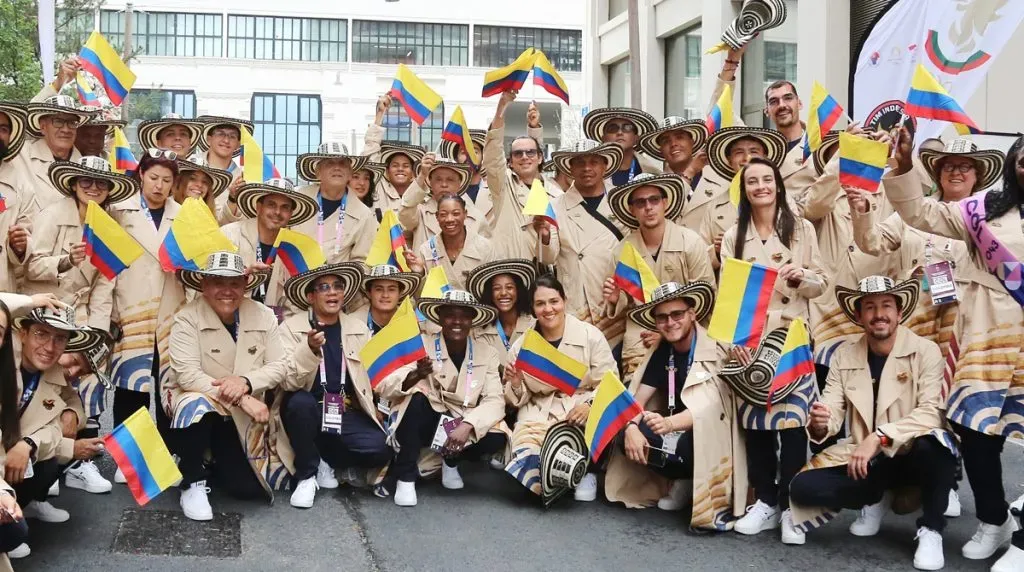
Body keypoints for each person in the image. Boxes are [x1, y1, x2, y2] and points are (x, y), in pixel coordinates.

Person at [881, 128, 1024, 565]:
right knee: (978, 438)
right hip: (986, 338)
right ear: (1012, 167)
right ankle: (994, 518)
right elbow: (921, 213)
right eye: (1022, 159)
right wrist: (904, 167)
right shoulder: (983, 211)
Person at [789, 277, 956, 571]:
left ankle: (931, 529)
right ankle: (877, 496)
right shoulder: (845, 354)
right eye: (870, 307)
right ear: (859, 316)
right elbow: (832, 407)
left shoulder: (926, 350)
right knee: (803, 488)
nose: (879, 314)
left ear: (899, 313)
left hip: (908, 452)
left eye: (886, 306)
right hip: (866, 461)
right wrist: (820, 423)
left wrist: (879, 437)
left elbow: (932, 412)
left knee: (936, 447)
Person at [720, 157, 827, 541]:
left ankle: (791, 508)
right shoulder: (733, 235)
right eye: (752, 181)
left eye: (768, 179)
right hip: (753, 341)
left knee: (794, 426)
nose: (761, 186)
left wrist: (802, 277)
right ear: (744, 190)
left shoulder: (800, 229)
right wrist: (733, 344)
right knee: (758, 427)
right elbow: (728, 295)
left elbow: (822, 283)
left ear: (778, 185)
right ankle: (765, 501)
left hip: (793, 338)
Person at [604, 281, 748, 528]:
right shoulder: (663, 351)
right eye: (662, 318)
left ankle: (696, 483)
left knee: (693, 437)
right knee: (623, 429)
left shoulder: (715, 346)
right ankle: (681, 479)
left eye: (677, 314)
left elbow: (711, 406)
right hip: (673, 426)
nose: (670, 323)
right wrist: (630, 429)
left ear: (692, 314)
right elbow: (638, 399)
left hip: (707, 431)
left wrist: (669, 423)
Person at [166, 252, 290, 521]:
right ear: (204, 285)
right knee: (193, 403)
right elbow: (188, 375)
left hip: (242, 418)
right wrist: (241, 398)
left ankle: (209, 458)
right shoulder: (185, 318)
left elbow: (281, 365)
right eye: (218, 282)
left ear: (245, 285)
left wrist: (246, 383)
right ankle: (192, 480)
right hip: (203, 407)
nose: (227, 291)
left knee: (245, 489)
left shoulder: (263, 314)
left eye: (234, 283)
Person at [378, 290, 507, 507]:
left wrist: (468, 425)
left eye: (464, 316)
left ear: (472, 319)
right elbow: (385, 386)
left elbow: (495, 400)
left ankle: (450, 460)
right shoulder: (421, 343)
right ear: (439, 318)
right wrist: (416, 374)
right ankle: (406, 477)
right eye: (450, 315)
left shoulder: (487, 352)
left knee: (498, 436)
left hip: (461, 420)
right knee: (416, 399)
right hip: (427, 418)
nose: (457, 322)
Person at [278, 262, 391, 508]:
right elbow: (288, 381)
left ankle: (325, 458)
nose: (332, 292)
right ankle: (307, 475)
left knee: (381, 448)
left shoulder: (358, 329)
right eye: (324, 287)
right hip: (306, 407)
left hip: (343, 409)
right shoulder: (290, 328)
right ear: (311, 296)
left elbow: (376, 375)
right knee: (299, 403)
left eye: (338, 286)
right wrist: (308, 350)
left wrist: (380, 404)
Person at [107, 149, 188, 485]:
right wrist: (110, 311)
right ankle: (130, 457)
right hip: (131, 306)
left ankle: (167, 452)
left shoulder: (183, 216)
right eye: (154, 177)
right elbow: (106, 265)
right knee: (130, 387)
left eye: (167, 180)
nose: (159, 186)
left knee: (167, 384)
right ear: (141, 175)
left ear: (174, 184)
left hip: (170, 311)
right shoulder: (119, 211)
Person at [504, 275, 617, 502]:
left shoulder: (590, 335)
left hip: (579, 404)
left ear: (564, 300)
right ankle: (554, 476)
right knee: (530, 467)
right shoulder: (523, 345)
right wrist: (516, 383)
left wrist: (589, 405)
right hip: (538, 409)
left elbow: (611, 382)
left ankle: (587, 471)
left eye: (554, 301)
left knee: (596, 422)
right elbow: (516, 399)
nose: (548, 309)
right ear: (533, 309)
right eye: (540, 304)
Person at [7, 306, 107, 551]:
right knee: (13, 535)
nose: (50, 347)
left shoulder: (50, 373)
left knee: (49, 459)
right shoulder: (6, 364)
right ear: (23, 334)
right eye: (41, 334)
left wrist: (70, 417)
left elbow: (69, 406)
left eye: (60, 339)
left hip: (11, 451)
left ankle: (20, 508)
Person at [602, 173, 716, 377]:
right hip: (641, 335)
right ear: (632, 209)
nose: (648, 207)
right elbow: (622, 306)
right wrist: (613, 299)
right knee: (636, 396)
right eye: (640, 202)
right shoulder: (622, 251)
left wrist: (666, 335)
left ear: (665, 202)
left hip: (686, 330)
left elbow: (706, 298)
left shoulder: (690, 242)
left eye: (654, 200)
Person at [537, 140, 625, 344]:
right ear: (570, 167)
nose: (587, 168)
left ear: (605, 166)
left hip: (614, 304)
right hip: (575, 305)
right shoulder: (555, 206)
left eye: (594, 161)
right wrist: (545, 236)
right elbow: (547, 257)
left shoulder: (622, 203)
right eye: (580, 162)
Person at [221, 177, 319, 314]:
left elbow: (299, 301)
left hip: (277, 325)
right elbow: (213, 284)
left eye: (285, 207)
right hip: (231, 317)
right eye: (271, 205)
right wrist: (245, 276)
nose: (277, 212)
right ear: (259, 208)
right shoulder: (229, 234)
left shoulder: (296, 248)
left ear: (291, 214)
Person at [482, 91, 559, 260]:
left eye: (530, 153)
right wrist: (501, 107)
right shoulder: (503, 185)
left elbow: (551, 257)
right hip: (506, 273)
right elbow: (493, 156)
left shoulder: (556, 195)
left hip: (537, 277)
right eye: (517, 154)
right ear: (510, 162)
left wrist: (545, 236)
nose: (524, 157)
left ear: (540, 158)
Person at [699, 127, 788, 270]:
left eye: (754, 151)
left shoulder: (784, 200)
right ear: (729, 160)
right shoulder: (714, 207)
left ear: (764, 157)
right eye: (739, 152)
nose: (747, 158)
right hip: (734, 286)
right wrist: (717, 250)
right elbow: (699, 261)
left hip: (776, 283)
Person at [291, 142, 378, 265]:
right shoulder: (298, 200)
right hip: (295, 278)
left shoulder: (364, 215)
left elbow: (362, 261)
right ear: (318, 172)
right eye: (330, 163)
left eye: (342, 163)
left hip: (336, 282)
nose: (337, 168)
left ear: (349, 174)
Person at [12, 95, 95, 206]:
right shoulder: (20, 153)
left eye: (72, 123)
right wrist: (56, 85)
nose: (66, 129)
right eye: (58, 121)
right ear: (43, 127)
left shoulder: (87, 165)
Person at [636, 117, 717, 231]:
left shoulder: (718, 179)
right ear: (660, 150)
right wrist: (691, 171)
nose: (673, 144)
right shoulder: (655, 187)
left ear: (692, 142)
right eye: (665, 141)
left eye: (680, 137)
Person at [406, 194, 491, 292]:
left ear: (465, 214)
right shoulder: (427, 249)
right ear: (437, 217)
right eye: (443, 214)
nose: (449, 219)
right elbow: (422, 296)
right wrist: (419, 273)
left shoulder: (484, 247)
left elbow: (490, 289)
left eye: (455, 214)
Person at [399, 153, 484, 249]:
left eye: (450, 180)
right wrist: (422, 175)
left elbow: (486, 255)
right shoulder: (419, 212)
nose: (444, 184)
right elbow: (405, 212)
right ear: (430, 182)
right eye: (438, 179)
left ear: (459, 183)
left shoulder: (476, 217)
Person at [465, 259, 536, 371]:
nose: (503, 293)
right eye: (496, 288)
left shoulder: (534, 326)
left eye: (509, 287)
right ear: (490, 294)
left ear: (518, 291)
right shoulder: (477, 331)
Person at [0, 102, 35, 293]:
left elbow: (26, 233)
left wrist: (19, 245)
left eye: (3, 129)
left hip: (3, 288)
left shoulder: (22, 184)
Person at [582, 106, 660, 185]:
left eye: (627, 128)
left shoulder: (653, 174)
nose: (620, 132)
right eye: (612, 128)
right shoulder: (587, 173)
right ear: (603, 139)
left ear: (636, 138)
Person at [195, 115, 251, 223]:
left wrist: (232, 198)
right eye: (220, 134)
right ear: (209, 139)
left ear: (238, 145)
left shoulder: (242, 179)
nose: (226, 140)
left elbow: (237, 222)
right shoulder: (190, 165)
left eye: (232, 136)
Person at [350, 264, 423, 334]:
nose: (385, 295)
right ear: (369, 293)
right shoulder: (351, 324)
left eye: (391, 289)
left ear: (400, 293)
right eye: (379, 289)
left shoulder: (412, 324)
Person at [137, 113, 203, 157]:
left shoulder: (199, 175)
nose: (178, 137)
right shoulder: (147, 174)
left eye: (183, 134)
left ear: (190, 142)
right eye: (170, 134)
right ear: (158, 143)